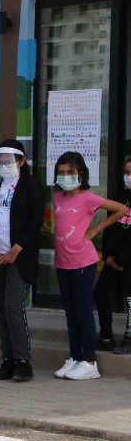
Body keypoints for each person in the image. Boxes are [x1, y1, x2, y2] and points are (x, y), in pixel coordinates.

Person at [51, 151, 129, 380]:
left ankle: (89, 361)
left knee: (83, 312)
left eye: (70, 172)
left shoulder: (88, 198)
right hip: (62, 263)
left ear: (81, 174)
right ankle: (75, 358)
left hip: (82, 262)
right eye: (61, 172)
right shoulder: (56, 199)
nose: (65, 176)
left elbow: (121, 209)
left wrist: (96, 229)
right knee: (70, 313)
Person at [0, 140, 46, 382]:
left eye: (8, 161)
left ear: (21, 161)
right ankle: (7, 359)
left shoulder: (31, 185)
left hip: (20, 256)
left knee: (13, 305)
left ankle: (23, 360)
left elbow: (36, 221)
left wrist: (16, 249)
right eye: (0, 162)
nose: (3, 166)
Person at [93, 156, 131, 354]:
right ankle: (106, 335)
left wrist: (123, 262)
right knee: (100, 293)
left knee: (130, 299)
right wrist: (107, 255)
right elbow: (109, 228)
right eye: (127, 172)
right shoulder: (118, 197)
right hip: (112, 259)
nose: (129, 176)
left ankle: (129, 337)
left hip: (127, 261)